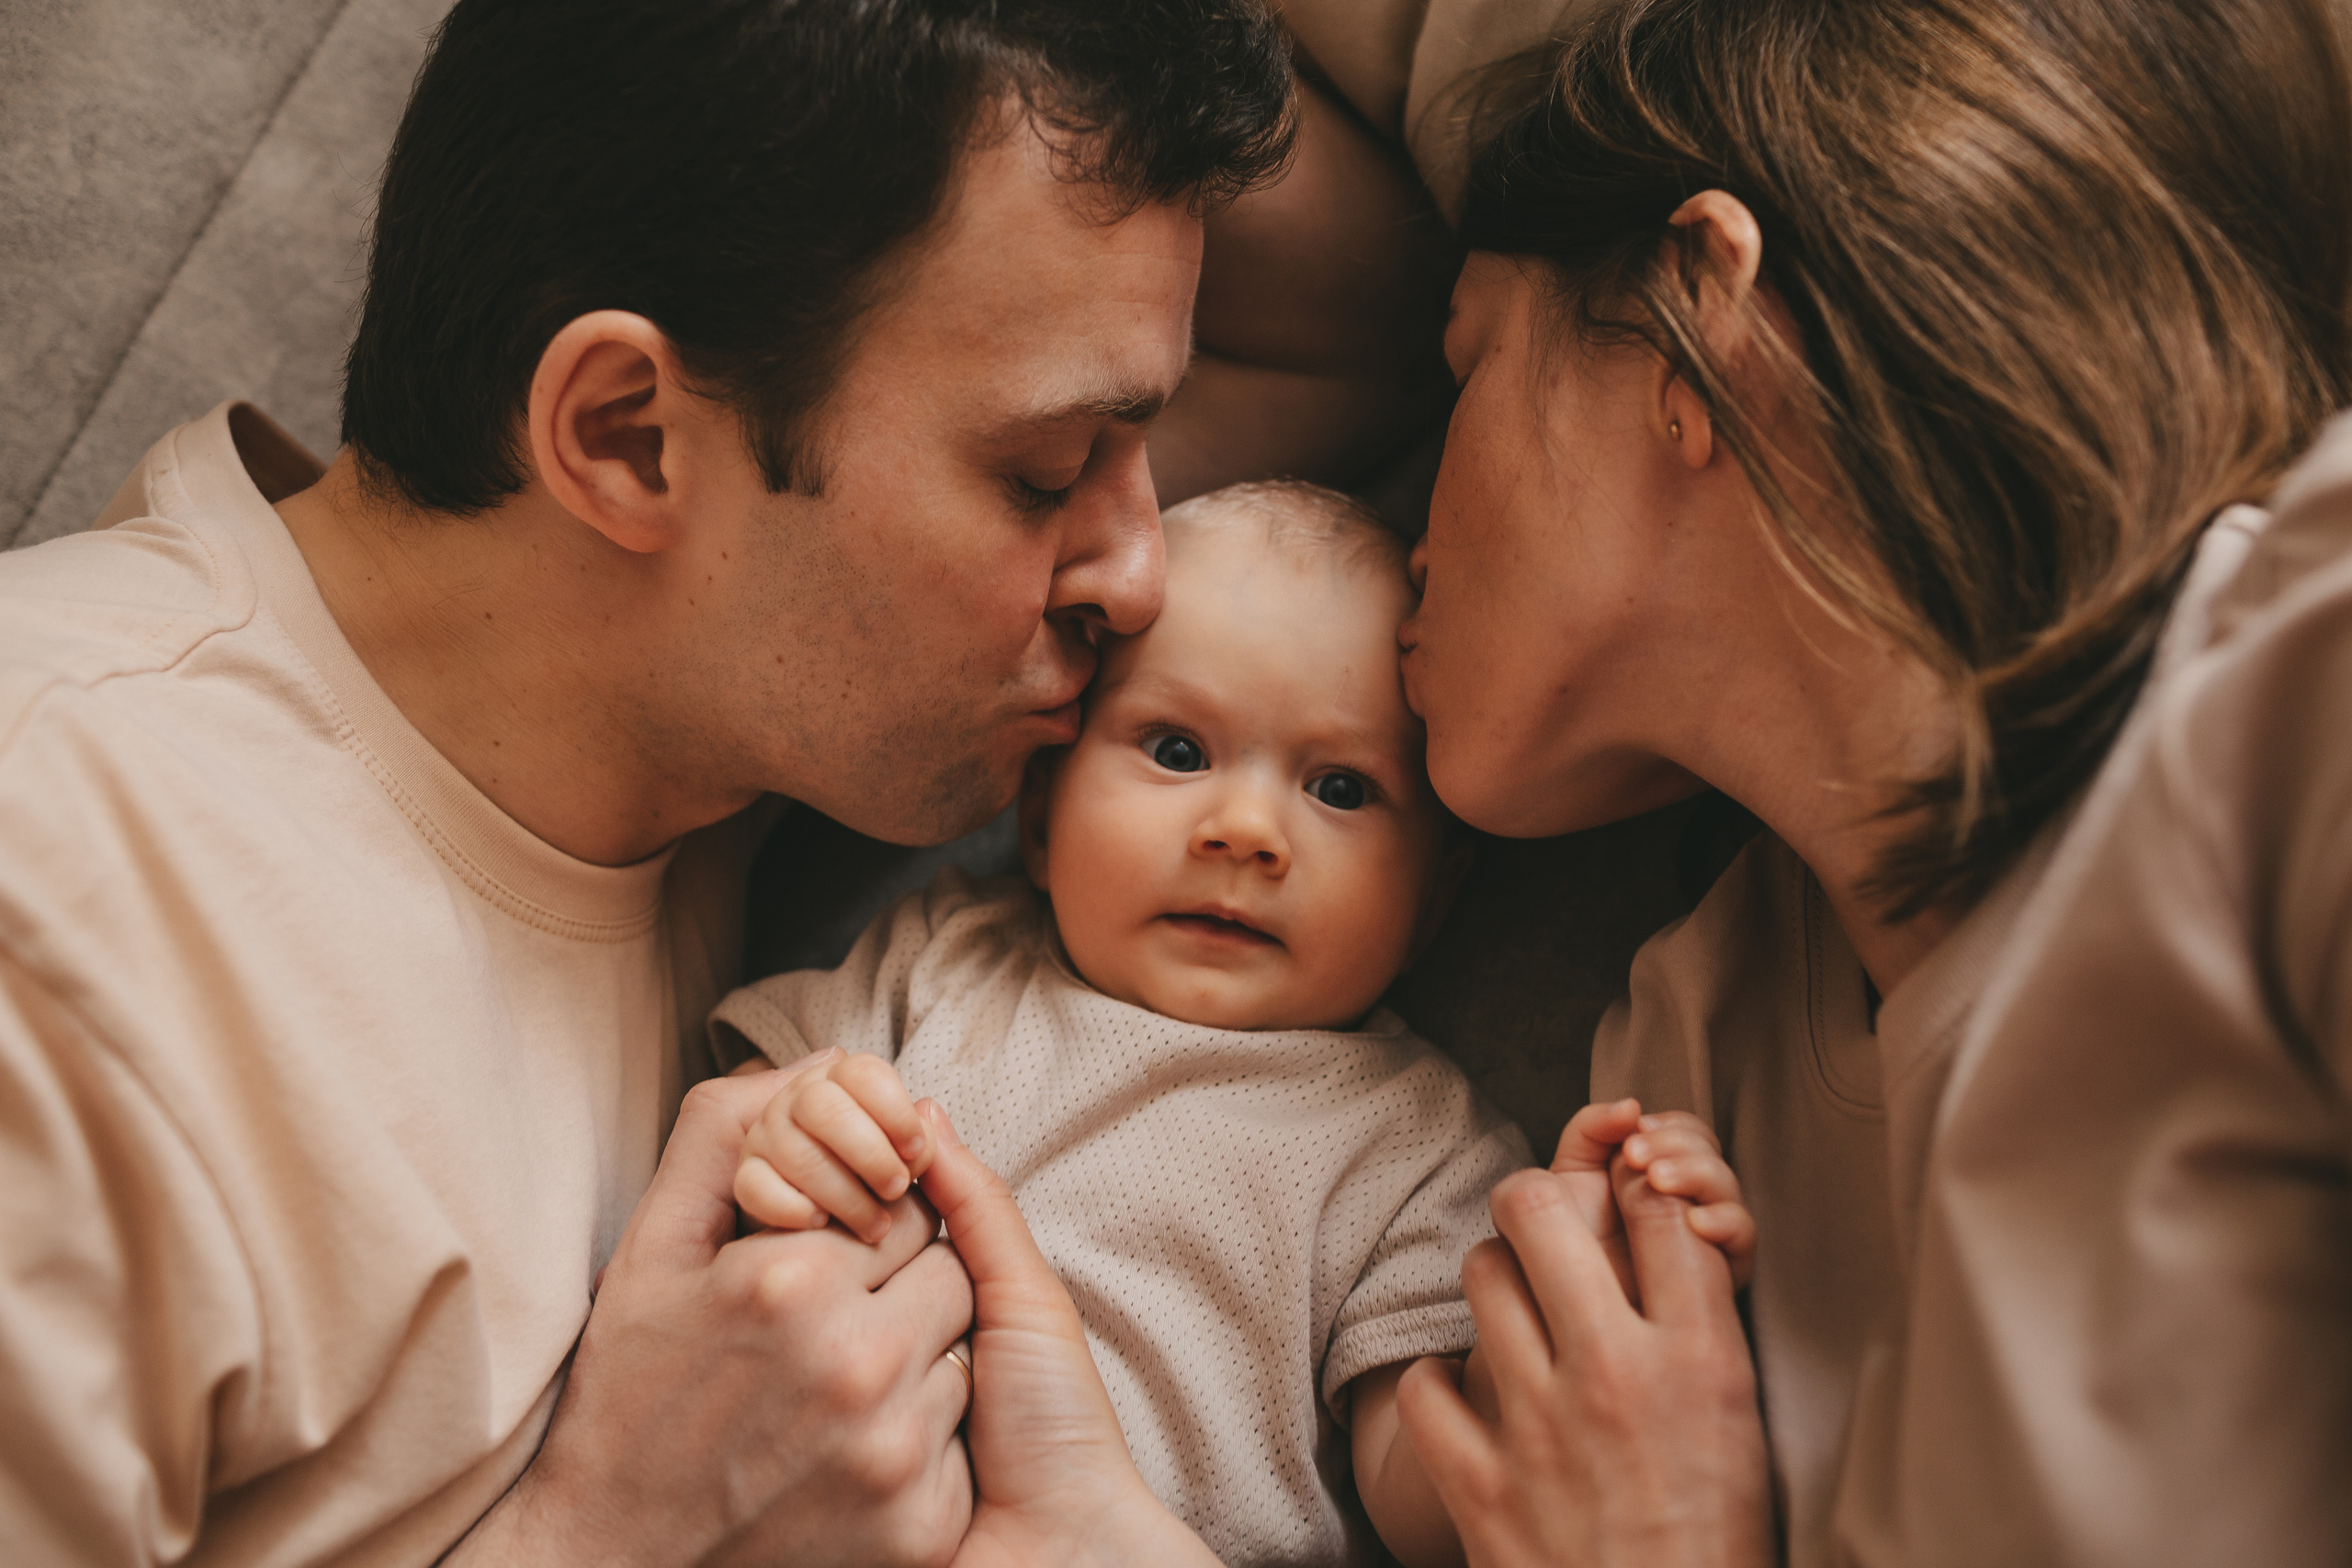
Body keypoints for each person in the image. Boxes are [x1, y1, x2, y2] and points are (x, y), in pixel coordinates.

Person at [880, 0, 2352, 1563]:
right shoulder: (1683, 1074)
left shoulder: (2290, 691)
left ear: (1703, 318)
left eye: (1472, 368)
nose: (1413, 541)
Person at [0, 1, 1295, 1562]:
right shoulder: (63, 902)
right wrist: (621, 1529)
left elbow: (1357, 310)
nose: (1145, 575)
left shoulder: (686, 724)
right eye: (1043, 473)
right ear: (627, 438)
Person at [721, 482, 1755, 1567]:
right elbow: (736, 1104)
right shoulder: (946, 958)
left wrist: (1585, 1288)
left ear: (1432, 904)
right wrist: (785, 1130)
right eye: (1176, 752)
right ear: (1037, 818)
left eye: (1341, 788)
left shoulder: (1411, 1144)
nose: (1247, 831)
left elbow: (1427, 1491)